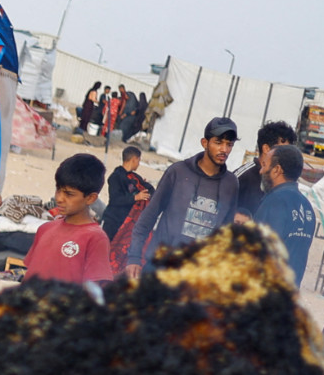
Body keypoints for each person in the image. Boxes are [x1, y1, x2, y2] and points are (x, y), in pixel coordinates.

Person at [127, 116, 239, 271]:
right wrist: (134, 257)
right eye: (218, 143)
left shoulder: (231, 184)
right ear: (204, 143)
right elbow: (149, 216)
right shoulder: (178, 172)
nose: (224, 150)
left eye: (229, 144)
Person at [23, 154, 112, 285]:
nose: (59, 198)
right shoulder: (45, 229)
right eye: (58, 190)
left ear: (91, 198)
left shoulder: (95, 238)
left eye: (69, 194)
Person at [254, 144, 317, 288]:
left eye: (264, 165)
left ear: (276, 170)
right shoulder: (307, 207)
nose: (261, 171)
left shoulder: (274, 201)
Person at [234, 121, 296, 216]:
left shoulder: (282, 182)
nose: (287, 156)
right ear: (266, 149)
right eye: (283, 150)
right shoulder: (243, 177)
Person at [102, 146, 152, 238]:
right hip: (113, 221)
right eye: (138, 161)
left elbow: (149, 190)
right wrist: (136, 197)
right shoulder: (115, 177)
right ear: (134, 159)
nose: (139, 164)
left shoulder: (134, 177)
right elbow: (115, 199)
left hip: (127, 222)